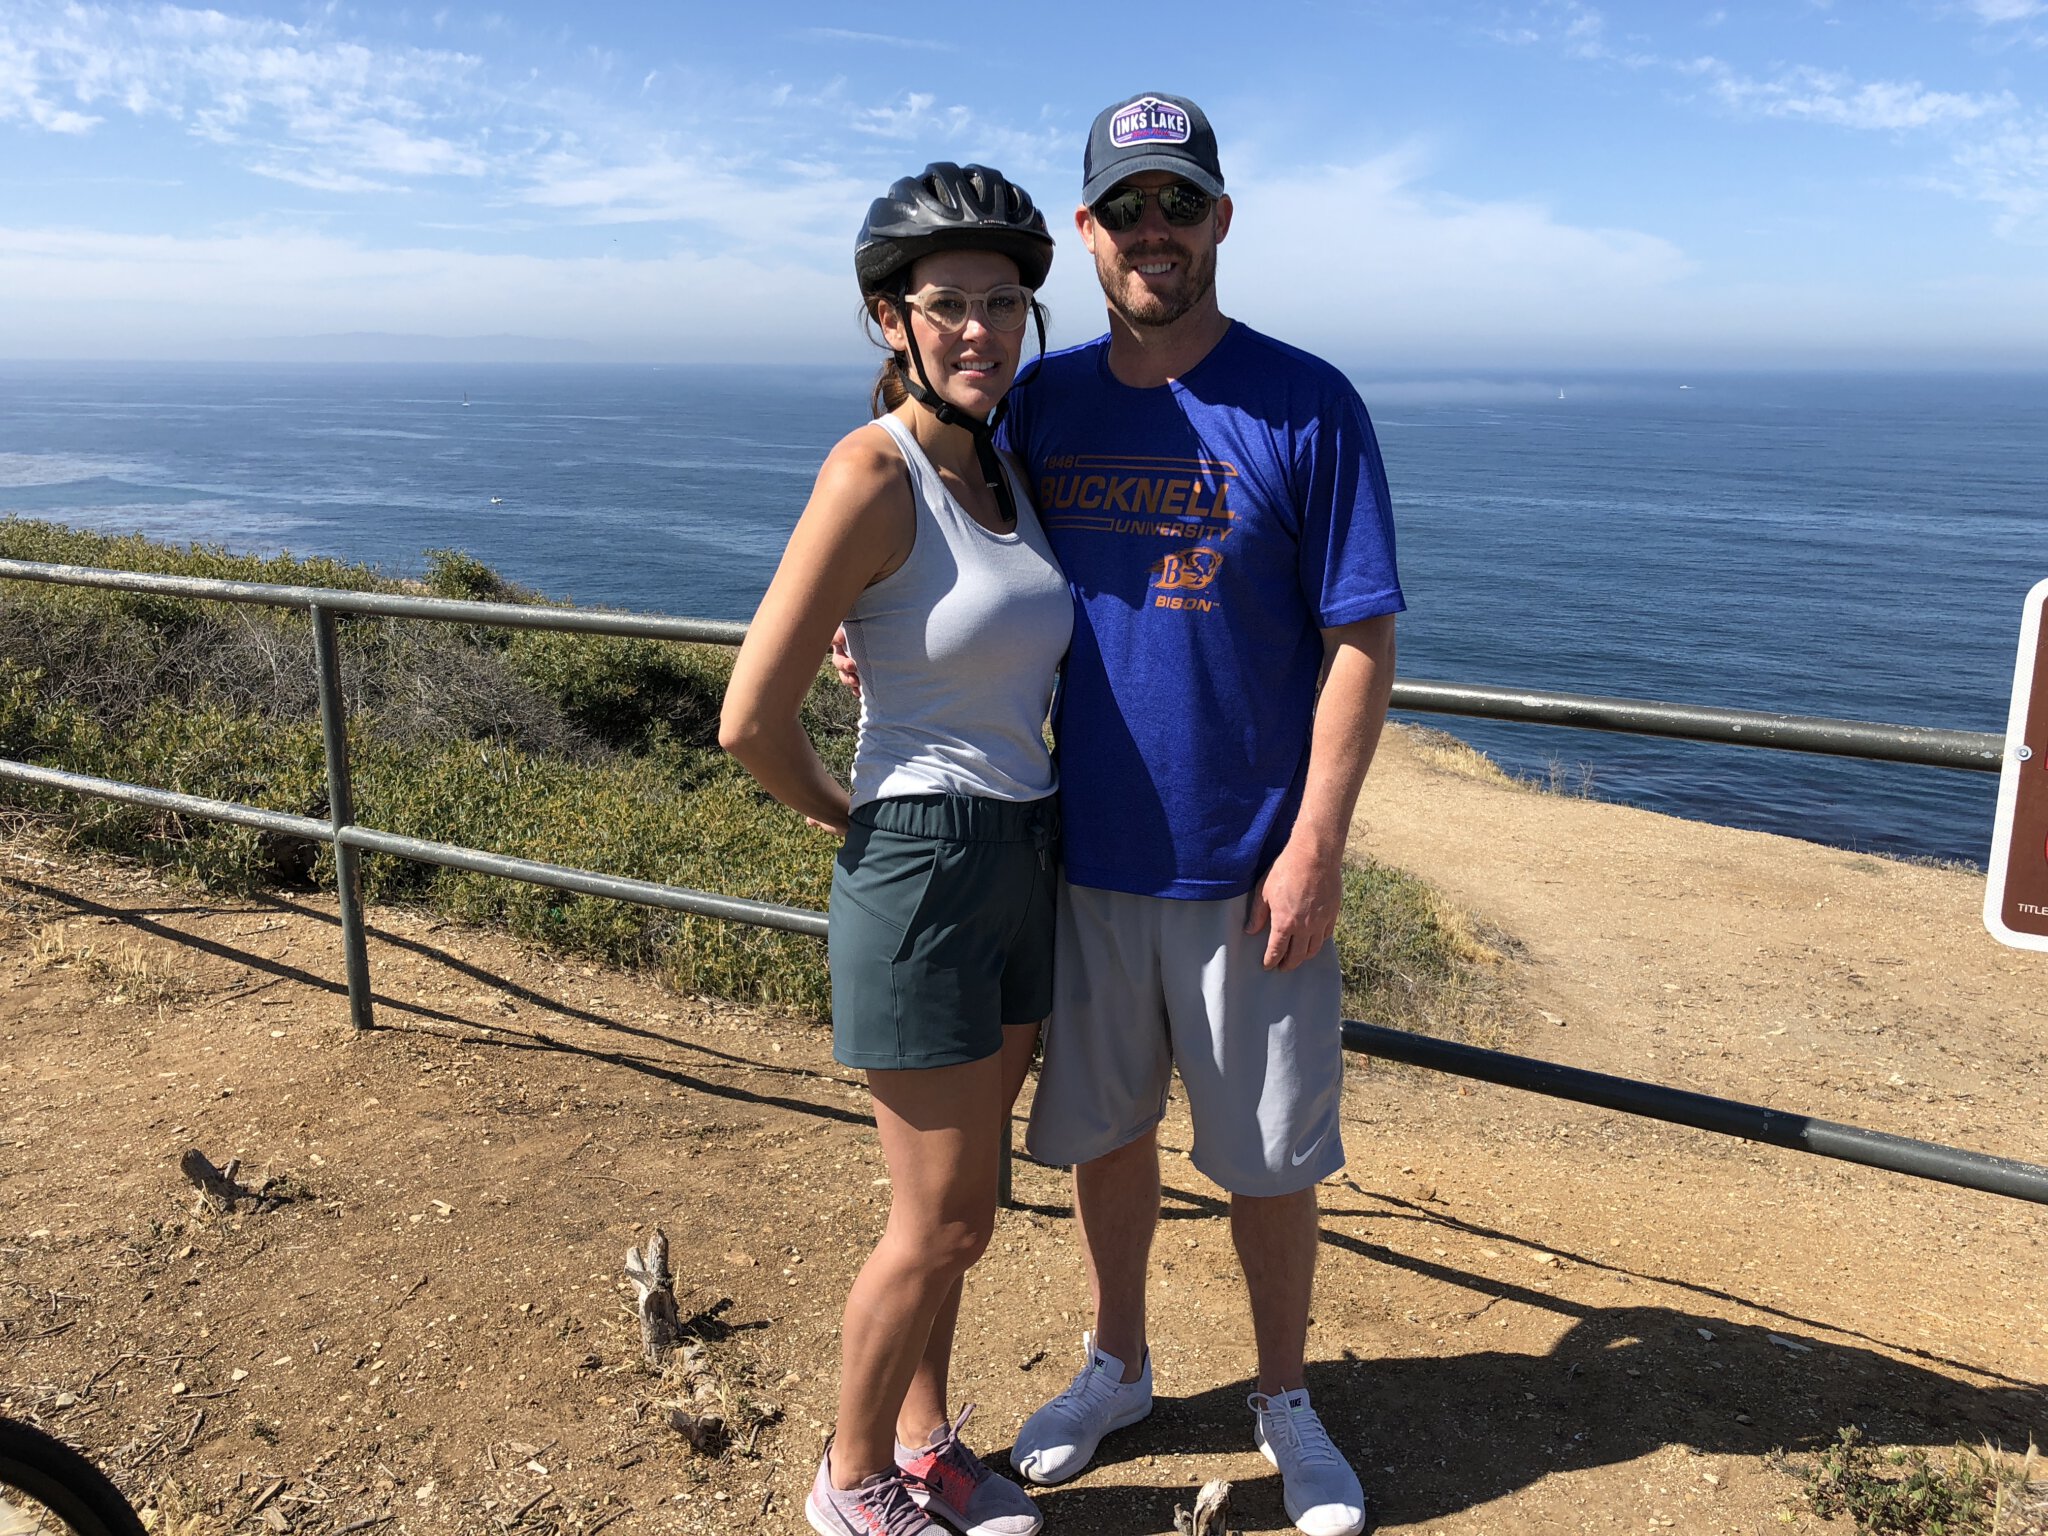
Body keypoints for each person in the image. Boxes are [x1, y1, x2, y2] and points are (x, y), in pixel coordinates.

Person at [1002, 92, 1403, 1536]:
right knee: (1107, 1136)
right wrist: (871, 627)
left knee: (1268, 1158)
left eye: (1178, 203)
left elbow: (1360, 639)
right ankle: (1117, 1363)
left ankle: (1283, 1395)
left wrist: (1315, 847)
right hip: (1086, 857)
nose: (1153, 230)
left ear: (1222, 218)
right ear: (1086, 233)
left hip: (1253, 870)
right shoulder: (1040, 406)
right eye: (1127, 208)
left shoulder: (1308, 404)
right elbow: (941, 548)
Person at [718, 161, 1071, 1536]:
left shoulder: (1000, 463)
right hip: (924, 864)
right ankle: (850, 1479)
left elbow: (968, 640)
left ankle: (926, 1442)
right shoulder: (874, 473)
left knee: (968, 1210)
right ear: (891, 320)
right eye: (949, 305)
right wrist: (856, 822)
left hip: (1020, 854)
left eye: (1002, 302)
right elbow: (750, 715)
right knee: (933, 1221)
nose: (980, 328)